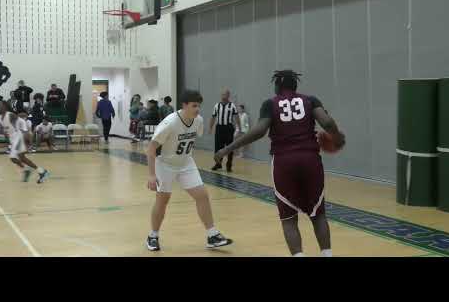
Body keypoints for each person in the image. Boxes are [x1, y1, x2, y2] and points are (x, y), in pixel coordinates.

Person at [214, 70, 346, 257]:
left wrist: (228, 149)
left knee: (289, 218)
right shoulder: (311, 100)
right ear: (295, 86)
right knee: (318, 214)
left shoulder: (270, 104)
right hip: (310, 159)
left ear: (277, 86)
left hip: (284, 161)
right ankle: (327, 254)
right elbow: (326, 122)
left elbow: (259, 131)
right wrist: (337, 136)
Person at [145, 89, 233, 252]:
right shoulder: (170, 123)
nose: (197, 109)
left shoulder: (198, 120)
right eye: (194, 106)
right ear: (184, 105)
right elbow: (150, 148)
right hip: (165, 164)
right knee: (162, 200)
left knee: (202, 195)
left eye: (199, 106)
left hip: (186, 163)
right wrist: (151, 174)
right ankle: (153, 236)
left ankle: (212, 235)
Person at [0, 101, 49, 183]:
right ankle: (41, 171)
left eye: (0, 105)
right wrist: (1, 132)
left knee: (13, 157)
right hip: (12, 139)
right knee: (22, 158)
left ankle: (28, 170)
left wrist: (25, 131)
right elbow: (3, 129)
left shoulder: (10, 115)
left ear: (5, 106)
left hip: (18, 137)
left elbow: (20, 120)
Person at [209, 89, 241, 172]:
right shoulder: (217, 106)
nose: (223, 96)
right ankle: (218, 164)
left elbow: (236, 116)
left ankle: (229, 165)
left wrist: (239, 127)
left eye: (225, 94)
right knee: (218, 147)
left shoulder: (232, 105)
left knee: (230, 147)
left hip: (229, 128)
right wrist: (210, 128)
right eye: (222, 94)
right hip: (219, 128)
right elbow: (213, 117)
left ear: (228, 95)